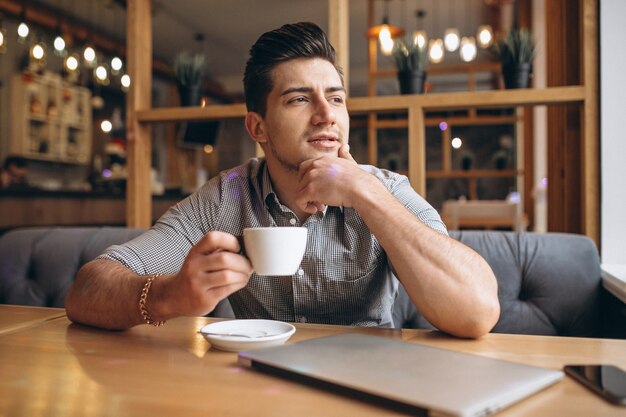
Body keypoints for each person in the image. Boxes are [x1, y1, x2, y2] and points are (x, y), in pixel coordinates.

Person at [65, 22, 499, 338]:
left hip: (370, 385)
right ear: (258, 128)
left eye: (335, 98)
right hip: (259, 388)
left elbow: (478, 311)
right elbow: (87, 289)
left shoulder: (385, 189)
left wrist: (367, 195)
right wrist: (168, 295)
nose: (326, 114)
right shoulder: (226, 197)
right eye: (298, 99)